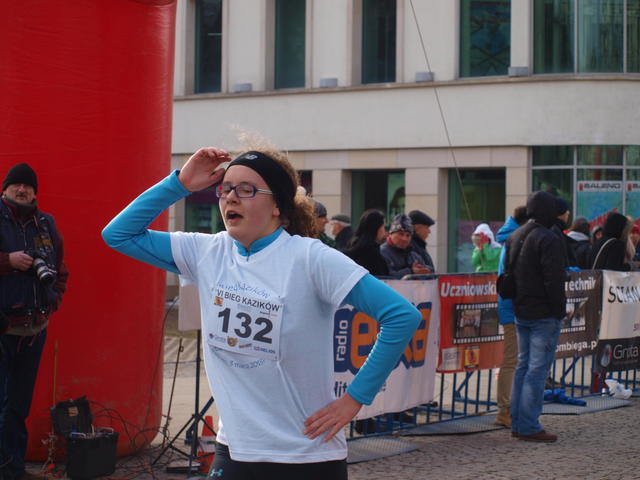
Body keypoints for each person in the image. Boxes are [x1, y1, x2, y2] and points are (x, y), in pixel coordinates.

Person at [102, 146, 421, 478]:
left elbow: (401, 316)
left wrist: (355, 398)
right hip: (235, 450)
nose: (231, 197)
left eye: (246, 189)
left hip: (307, 455)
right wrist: (180, 184)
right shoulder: (206, 251)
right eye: (226, 189)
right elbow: (118, 234)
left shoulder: (310, 258)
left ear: (277, 205)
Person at [0, 163, 69, 480]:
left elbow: (60, 270)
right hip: (3, 328)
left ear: (34, 192)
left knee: (18, 406)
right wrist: (8, 261)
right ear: (5, 188)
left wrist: (53, 299)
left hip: (34, 329)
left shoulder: (46, 224)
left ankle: (13, 470)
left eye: (27, 186)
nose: (22, 189)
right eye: (16, 184)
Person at [506, 191, 566, 443]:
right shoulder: (548, 238)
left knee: (523, 367)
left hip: (521, 309)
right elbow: (554, 279)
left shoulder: (515, 235)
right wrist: (559, 310)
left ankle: (518, 422)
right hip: (543, 312)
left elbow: (509, 274)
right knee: (536, 371)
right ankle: (529, 425)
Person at [494, 205, 528, 428]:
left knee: (514, 360)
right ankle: (504, 410)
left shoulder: (512, 238)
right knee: (511, 360)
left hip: (513, 307)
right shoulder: (515, 241)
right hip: (512, 308)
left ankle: (509, 408)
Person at [380, 214, 430, 279]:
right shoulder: (381, 253)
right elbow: (385, 277)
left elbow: (429, 275)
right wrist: (411, 271)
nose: (404, 239)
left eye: (408, 235)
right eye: (400, 234)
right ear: (391, 234)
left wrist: (424, 270)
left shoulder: (414, 256)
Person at [344, 209, 389, 277]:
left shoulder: (353, 246)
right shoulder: (372, 253)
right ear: (376, 228)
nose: (384, 230)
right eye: (383, 226)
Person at [551, 197, 577, 268]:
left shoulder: (557, 229)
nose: (568, 213)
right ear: (560, 213)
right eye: (566, 210)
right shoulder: (555, 231)